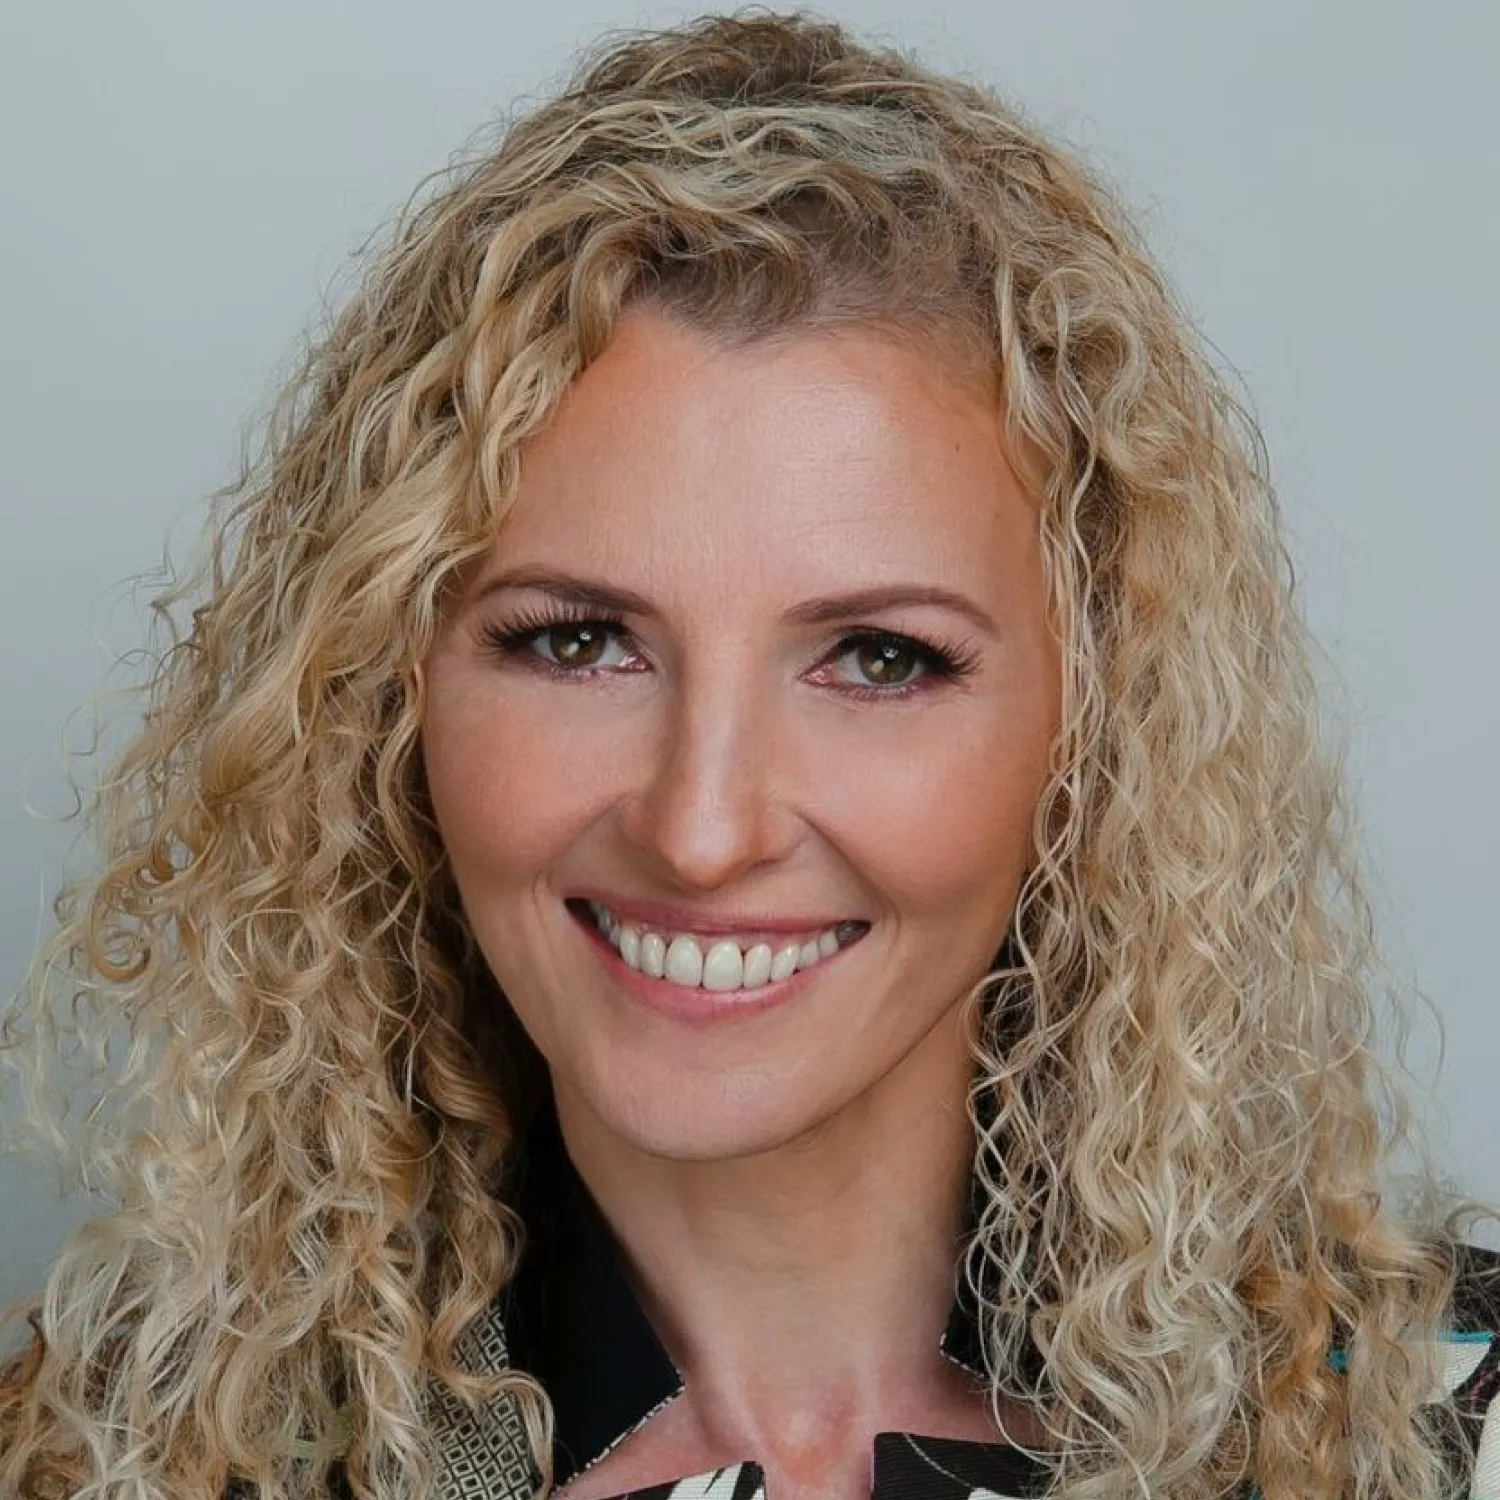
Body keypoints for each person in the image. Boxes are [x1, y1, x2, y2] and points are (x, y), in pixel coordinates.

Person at [2, 10, 1496, 1500]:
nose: (700, 828)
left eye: (880, 658)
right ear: (381, 699)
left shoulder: (1452, 1427)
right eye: (577, 640)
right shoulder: (112, 1458)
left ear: (1100, 728)